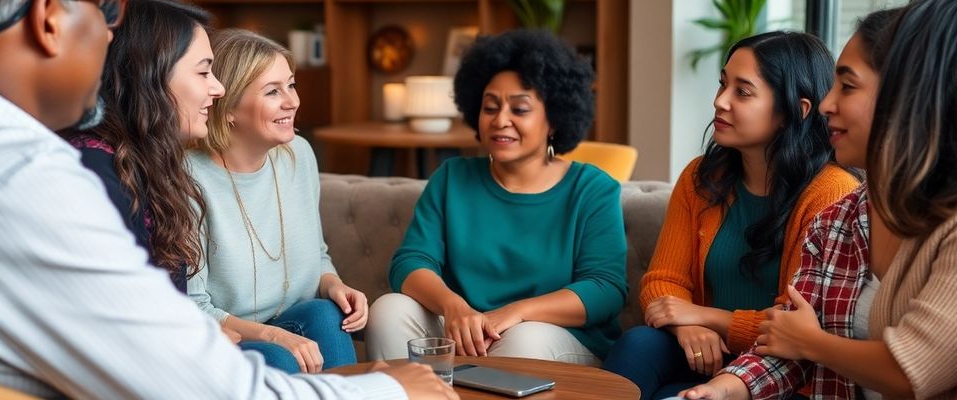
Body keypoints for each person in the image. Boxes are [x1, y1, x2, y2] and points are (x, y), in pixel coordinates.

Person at [0, 0, 454, 398]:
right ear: (49, 18)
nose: (112, 35)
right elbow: (199, 385)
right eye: (104, 5)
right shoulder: (28, 182)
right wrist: (390, 388)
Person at [684, 0, 957, 400]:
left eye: (847, 86)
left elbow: (914, 368)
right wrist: (723, 389)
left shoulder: (947, 227)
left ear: (908, 96)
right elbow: (786, 342)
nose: (827, 105)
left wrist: (812, 343)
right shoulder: (840, 219)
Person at [603, 31, 860, 400]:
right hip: (704, 354)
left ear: (796, 110)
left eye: (742, 91)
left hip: (783, 370)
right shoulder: (701, 177)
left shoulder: (830, 192)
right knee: (639, 344)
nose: (719, 101)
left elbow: (796, 323)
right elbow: (662, 280)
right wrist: (685, 328)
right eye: (723, 84)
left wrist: (705, 317)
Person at [364, 29, 628, 366]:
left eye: (519, 109)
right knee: (389, 310)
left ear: (554, 120)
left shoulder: (592, 189)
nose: (500, 120)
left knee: (524, 339)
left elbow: (605, 289)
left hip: (552, 335)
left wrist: (515, 313)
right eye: (490, 107)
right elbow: (411, 262)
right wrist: (454, 307)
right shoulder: (452, 178)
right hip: (466, 327)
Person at [188, 28, 365, 374]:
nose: (293, 101)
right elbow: (194, 306)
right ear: (228, 109)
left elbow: (317, 253)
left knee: (326, 313)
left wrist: (335, 285)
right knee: (281, 357)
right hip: (225, 336)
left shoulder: (298, 155)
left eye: (292, 85)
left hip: (290, 320)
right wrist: (273, 336)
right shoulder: (188, 178)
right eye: (273, 91)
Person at [66, 0, 225, 295]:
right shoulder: (95, 174)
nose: (219, 88)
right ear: (148, 76)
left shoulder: (148, 160)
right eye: (204, 72)